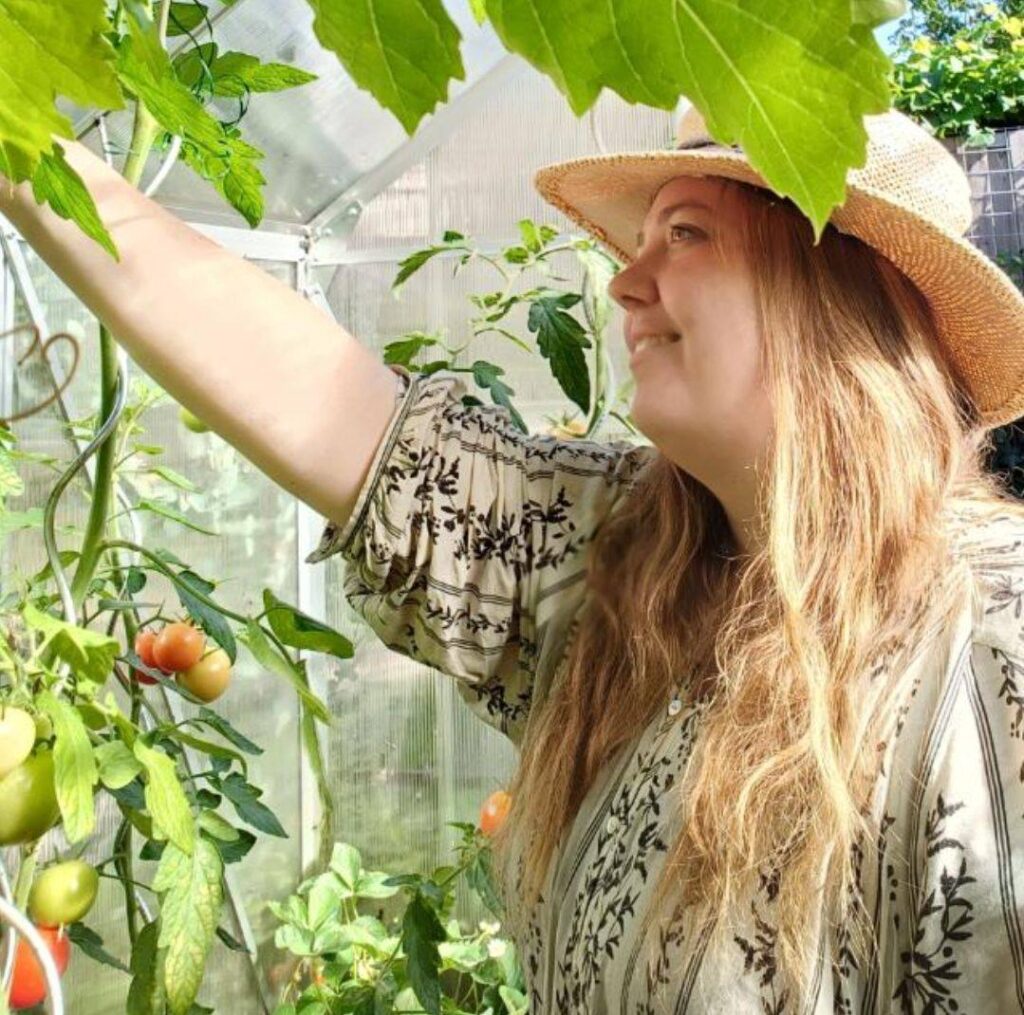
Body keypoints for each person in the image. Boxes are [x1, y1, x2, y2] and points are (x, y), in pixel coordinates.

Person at [4, 103, 1024, 1013]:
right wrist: (19, 137)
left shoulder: (992, 640)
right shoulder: (628, 558)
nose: (625, 282)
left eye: (684, 232)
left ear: (835, 286)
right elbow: (333, 412)